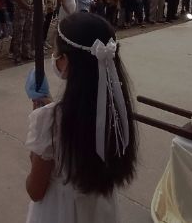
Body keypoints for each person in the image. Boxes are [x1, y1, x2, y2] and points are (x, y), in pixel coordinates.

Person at [24, 12, 138, 222]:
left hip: (60, 213)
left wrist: (38, 139)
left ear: (65, 61)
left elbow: (35, 190)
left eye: (56, 52)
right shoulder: (116, 111)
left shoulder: (48, 120)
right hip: (101, 212)